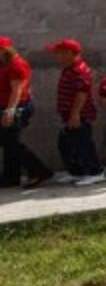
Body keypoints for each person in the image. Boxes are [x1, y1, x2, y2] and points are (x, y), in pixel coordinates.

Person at [47, 38, 105, 185]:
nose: (56, 56)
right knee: (66, 144)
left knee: (83, 143)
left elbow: (82, 93)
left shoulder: (80, 70)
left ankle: (96, 172)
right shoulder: (70, 68)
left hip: (80, 115)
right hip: (70, 115)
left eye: (58, 53)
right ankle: (78, 172)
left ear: (68, 53)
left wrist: (75, 114)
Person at [0, 37, 52, 189]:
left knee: (9, 142)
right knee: (9, 142)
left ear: (4, 50)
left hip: (16, 107)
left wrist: (10, 111)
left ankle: (39, 171)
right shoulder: (5, 63)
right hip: (8, 107)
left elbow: (17, 90)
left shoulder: (17, 65)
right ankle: (11, 176)